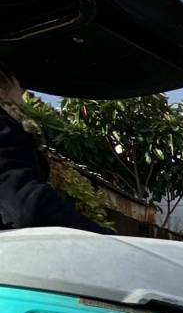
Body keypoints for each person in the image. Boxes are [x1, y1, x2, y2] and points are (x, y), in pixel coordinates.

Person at [0, 61, 111, 233]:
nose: (22, 104)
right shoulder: (3, 126)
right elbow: (29, 206)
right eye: (19, 96)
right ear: (2, 94)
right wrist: (102, 235)